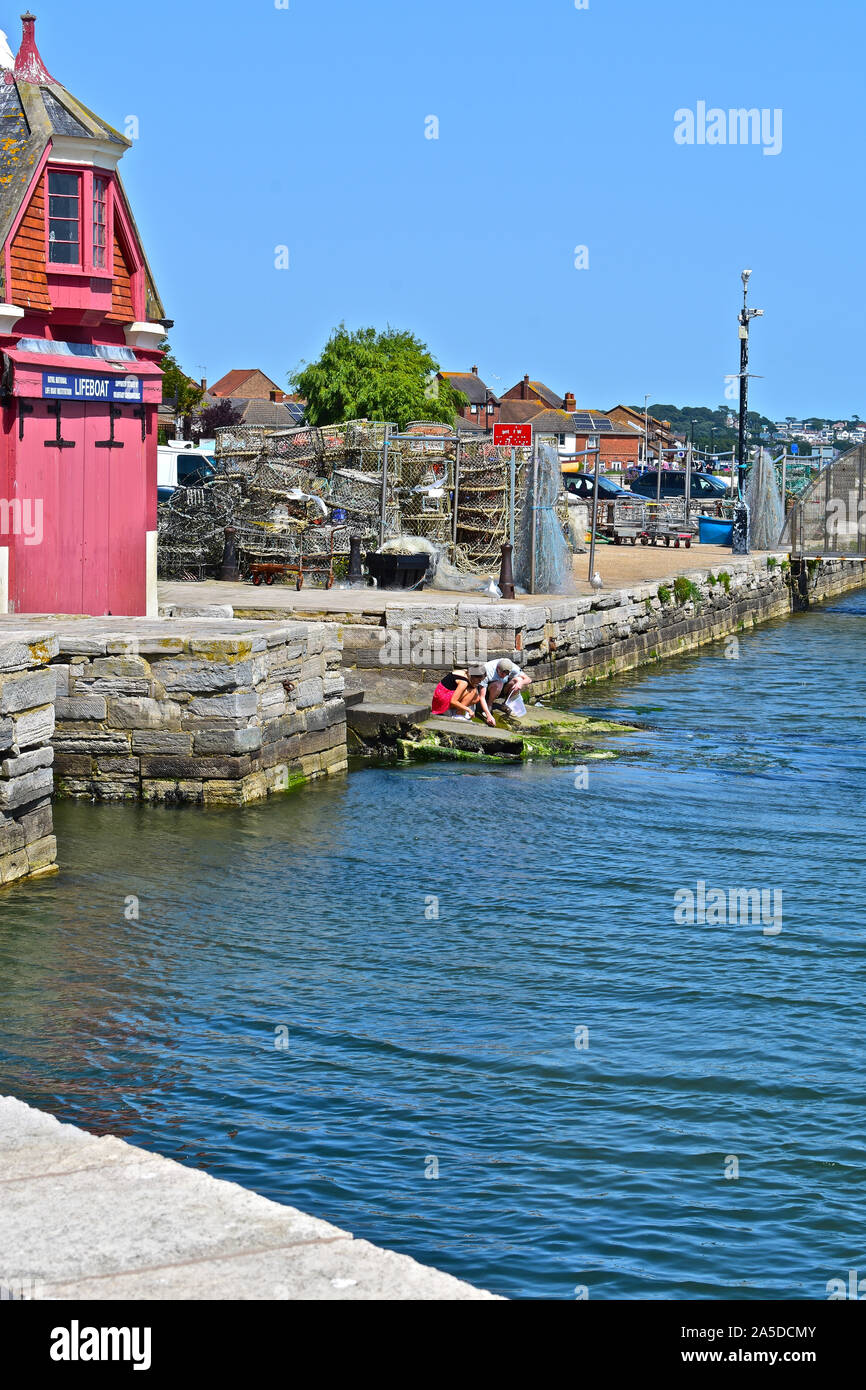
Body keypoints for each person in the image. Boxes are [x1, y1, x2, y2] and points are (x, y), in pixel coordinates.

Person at [430, 666, 495, 724]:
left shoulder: (466, 672)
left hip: (441, 696)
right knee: (472, 691)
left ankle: (454, 710)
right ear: (474, 676)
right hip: (441, 702)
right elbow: (453, 701)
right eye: (479, 680)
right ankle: (458, 715)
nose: (480, 682)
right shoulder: (464, 682)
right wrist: (468, 710)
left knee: (476, 698)